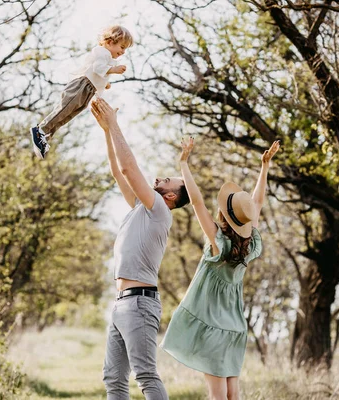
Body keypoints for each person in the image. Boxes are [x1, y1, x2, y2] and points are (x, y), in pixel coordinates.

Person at [161, 137, 280, 400]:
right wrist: (264, 167)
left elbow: (196, 203)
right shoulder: (249, 246)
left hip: (214, 328)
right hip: (236, 329)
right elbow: (257, 204)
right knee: (232, 395)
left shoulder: (219, 243)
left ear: (224, 213)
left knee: (217, 397)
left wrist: (184, 164)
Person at [90, 97, 190, 400]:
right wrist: (107, 131)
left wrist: (116, 124)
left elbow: (130, 167)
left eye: (167, 180)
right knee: (113, 379)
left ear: (171, 196)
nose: (159, 178)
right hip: (122, 304)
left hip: (139, 304)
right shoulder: (140, 208)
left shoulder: (159, 209)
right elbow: (118, 172)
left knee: (145, 375)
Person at [31, 25, 132, 158]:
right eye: (122, 47)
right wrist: (113, 70)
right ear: (109, 42)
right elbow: (97, 67)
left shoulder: (108, 58)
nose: (123, 51)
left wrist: (105, 84)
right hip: (82, 85)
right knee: (65, 109)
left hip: (89, 90)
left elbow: (98, 72)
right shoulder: (102, 52)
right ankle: (41, 130)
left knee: (68, 115)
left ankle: (45, 136)